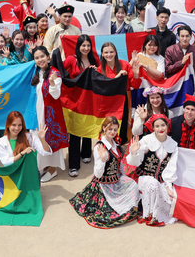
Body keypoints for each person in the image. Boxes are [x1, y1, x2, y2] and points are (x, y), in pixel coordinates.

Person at [69, 116, 141, 228]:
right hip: (104, 184)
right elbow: (97, 174)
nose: (113, 132)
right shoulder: (100, 147)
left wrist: (125, 177)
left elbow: (120, 166)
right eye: (110, 129)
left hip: (116, 180)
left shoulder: (115, 145)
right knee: (111, 208)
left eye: (115, 129)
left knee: (133, 185)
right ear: (104, 128)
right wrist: (102, 160)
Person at [126, 114, 178, 226]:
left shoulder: (173, 145)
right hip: (144, 177)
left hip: (162, 180)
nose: (160, 129)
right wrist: (134, 152)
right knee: (152, 185)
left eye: (163, 125)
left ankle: (156, 215)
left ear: (167, 126)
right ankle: (149, 215)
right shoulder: (146, 140)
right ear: (153, 128)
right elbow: (134, 162)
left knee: (172, 198)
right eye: (157, 126)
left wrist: (169, 186)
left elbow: (171, 168)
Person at [62, 35, 98, 176]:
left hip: (89, 101)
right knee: (76, 131)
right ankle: (73, 165)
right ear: (78, 46)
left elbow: (100, 75)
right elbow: (59, 71)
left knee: (88, 126)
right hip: (75, 101)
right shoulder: (71, 59)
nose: (86, 48)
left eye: (88, 45)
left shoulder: (94, 59)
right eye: (83, 45)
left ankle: (86, 153)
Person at [31, 46, 66, 182]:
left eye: (42, 56)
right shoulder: (36, 72)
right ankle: (44, 166)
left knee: (50, 138)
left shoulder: (54, 72)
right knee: (38, 138)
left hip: (50, 113)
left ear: (48, 57)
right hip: (37, 112)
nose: (40, 60)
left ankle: (52, 168)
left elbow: (56, 95)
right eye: (37, 57)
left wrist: (52, 83)